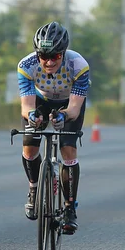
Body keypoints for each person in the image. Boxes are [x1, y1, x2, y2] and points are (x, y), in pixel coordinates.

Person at [16, 21, 90, 234]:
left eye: (55, 56)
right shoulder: (26, 65)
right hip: (40, 101)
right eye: (43, 56)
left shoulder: (78, 65)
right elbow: (27, 106)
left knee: (68, 149)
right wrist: (33, 117)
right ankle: (34, 187)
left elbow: (75, 108)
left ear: (64, 53)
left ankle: (69, 208)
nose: (48, 62)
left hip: (68, 104)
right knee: (29, 147)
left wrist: (63, 115)